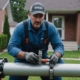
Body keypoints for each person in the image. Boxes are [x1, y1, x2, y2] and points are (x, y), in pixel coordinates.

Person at [7, 2, 64, 80]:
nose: (38, 20)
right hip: (23, 60)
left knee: (60, 67)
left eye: (40, 16)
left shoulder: (50, 28)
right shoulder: (20, 27)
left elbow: (59, 46)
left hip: (44, 60)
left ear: (44, 16)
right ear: (29, 15)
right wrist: (25, 55)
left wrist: (56, 55)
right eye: (35, 16)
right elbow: (11, 47)